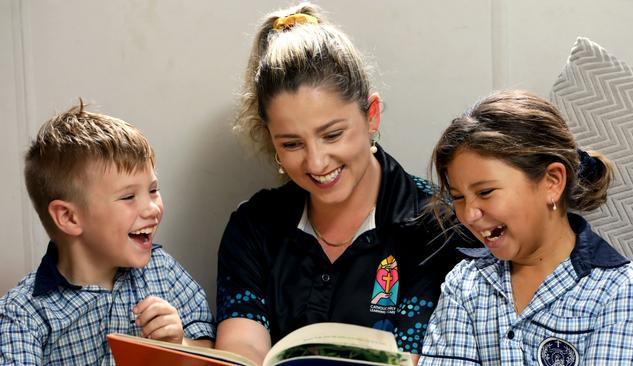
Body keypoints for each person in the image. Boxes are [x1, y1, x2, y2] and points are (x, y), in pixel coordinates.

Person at [214, 3, 477, 365]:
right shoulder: (253, 228)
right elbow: (240, 349)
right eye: (291, 143)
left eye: (332, 134)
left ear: (371, 115)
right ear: (270, 139)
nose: (317, 162)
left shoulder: (439, 226)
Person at [419, 90, 633, 365]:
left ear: (552, 182)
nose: (468, 214)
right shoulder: (464, 284)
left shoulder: (622, 293)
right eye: (458, 197)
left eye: (486, 192)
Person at [0, 101, 215, 365]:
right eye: (128, 196)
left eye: (153, 190)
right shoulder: (23, 314)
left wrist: (179, 346)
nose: (152, 208)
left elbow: (208, 350)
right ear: (68, 217)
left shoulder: (165, 272)